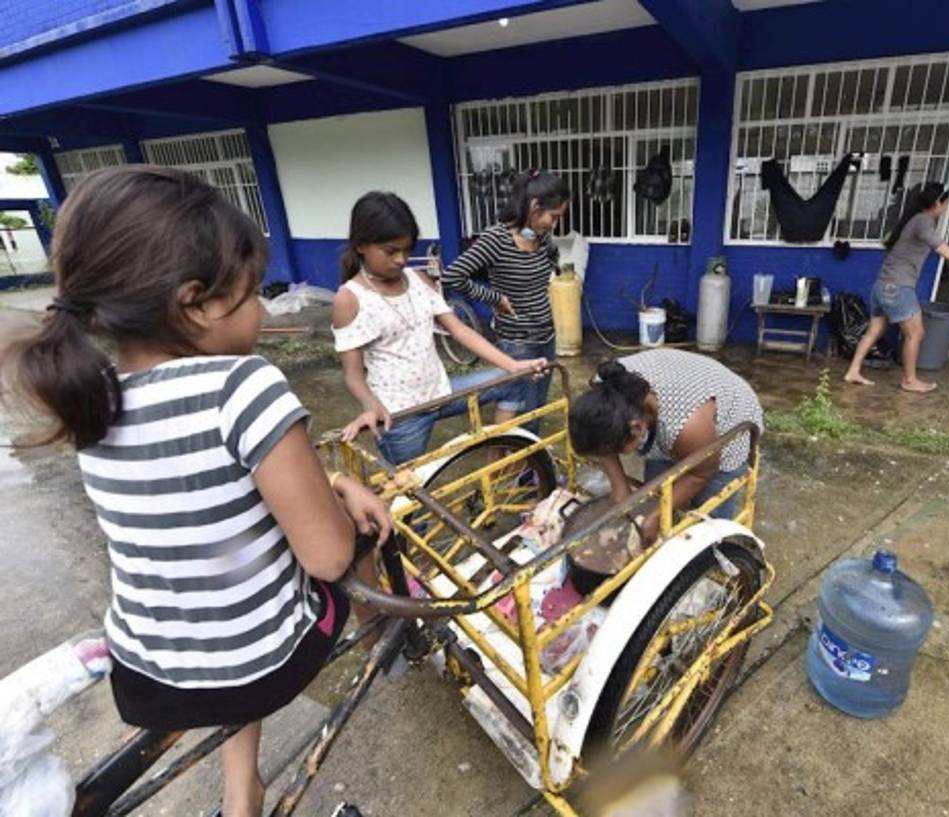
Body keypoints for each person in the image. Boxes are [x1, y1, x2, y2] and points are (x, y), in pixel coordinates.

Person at [0, 166, 393, 817]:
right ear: (196, 303)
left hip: (147, 674)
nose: (263, 310)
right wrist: (345, 491)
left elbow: (201, 496)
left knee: (227, 591)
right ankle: (382, 634)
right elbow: (326, 557)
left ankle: (242, 792)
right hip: (261, 664)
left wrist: (324, 480)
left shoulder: (95, 403)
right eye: (252, 293)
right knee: (369, 534)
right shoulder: (245, 385)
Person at [332, 192, 548, 464]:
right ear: (361, 245)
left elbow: (459, 330)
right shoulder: (349, 299)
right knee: (411, 495)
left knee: (514, 381)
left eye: (407, 250)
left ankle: (498, 466)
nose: (401, 259)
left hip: (443, 393)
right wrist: (370, 405)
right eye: (391, 251)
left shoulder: (417, 279)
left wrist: (513, 365)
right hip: (400, 415)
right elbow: (352, 374)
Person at [568, 350, 763, 542]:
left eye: (617, 450)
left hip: (730, 420)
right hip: (677, 403)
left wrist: (655, 517)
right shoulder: (604, 386)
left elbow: (701, 472)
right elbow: (601, 442)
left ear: (636, 428)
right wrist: (620, 488)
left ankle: (716, 554)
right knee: (658, 495)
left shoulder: (687, 425)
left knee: (709, 517)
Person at [441, 170, 570, 432]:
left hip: (546, 336)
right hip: (517, 341)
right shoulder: (496, 239)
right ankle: (515, 462)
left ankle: (526, 462)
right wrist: (494, 297)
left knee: (536, 406)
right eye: (553, 216)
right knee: (515, 403)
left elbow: (548, 262)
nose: (554, 224)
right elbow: (452, 276)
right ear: (534, 206)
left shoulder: (542, 239)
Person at [844, 182, 949, 393]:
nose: (946, 208)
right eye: (946, 203)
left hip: (882, 286)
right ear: (938, 202)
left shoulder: (913, 220)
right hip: (898, 287)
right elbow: (935, 242)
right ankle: (910, 381)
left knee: (874, 331)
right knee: (915, 334)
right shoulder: (923, 221)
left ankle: (853, 371)